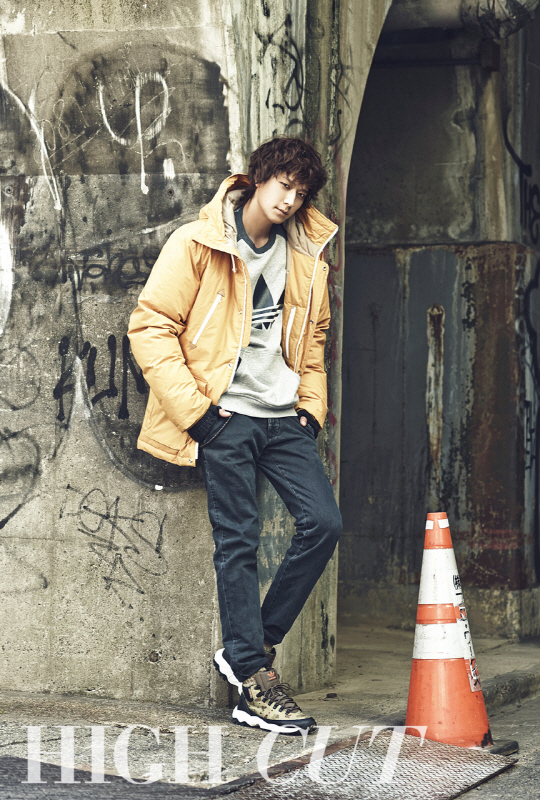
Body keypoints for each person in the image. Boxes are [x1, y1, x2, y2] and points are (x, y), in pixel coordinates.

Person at [128, 136, 342, 736]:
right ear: (259, 177)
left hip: (284, 418)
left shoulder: (305, 257)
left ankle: (250, 647)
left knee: (324, 524)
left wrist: (310, 409)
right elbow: (150, 326)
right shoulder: (198, 243)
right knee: (238, 541)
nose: (289, 200)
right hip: (225, 416)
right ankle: (252, 677)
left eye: (301, 193)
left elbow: (314, 341)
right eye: (283, 185)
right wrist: (199, 416)